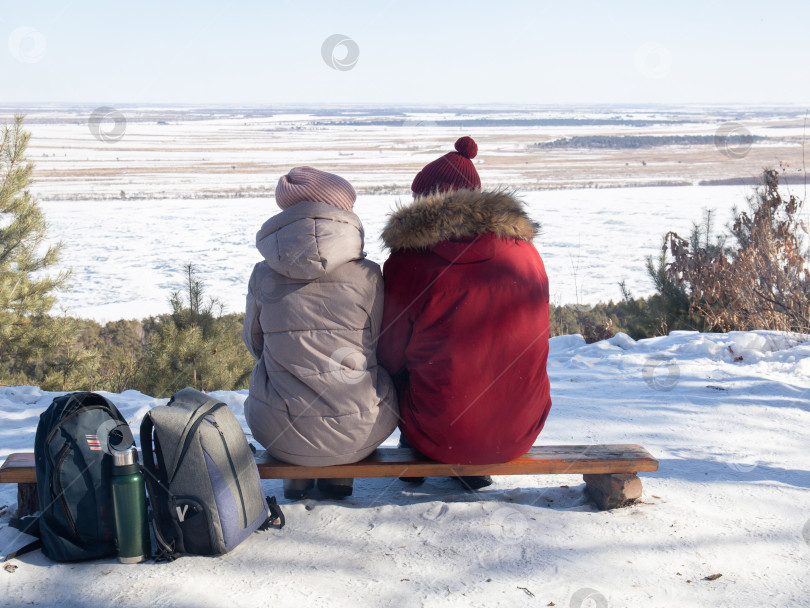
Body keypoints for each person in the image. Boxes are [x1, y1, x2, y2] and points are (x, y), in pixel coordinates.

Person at [378, 136, 552, 489]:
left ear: (425, 202)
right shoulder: (527, 255)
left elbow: (389, 355)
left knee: (398, 371)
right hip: (520, 430)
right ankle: (473, 465)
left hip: (439, 432)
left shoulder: (409, 263)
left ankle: (421, 451)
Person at [243, 167, 398, 500]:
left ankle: (296, 480)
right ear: (343, 213)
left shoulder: (262, 275)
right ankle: (339, 480)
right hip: (359, 432)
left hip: (277, 431)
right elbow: (382, 344)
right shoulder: (368, 275)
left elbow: (254, 343)